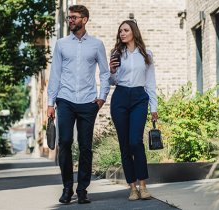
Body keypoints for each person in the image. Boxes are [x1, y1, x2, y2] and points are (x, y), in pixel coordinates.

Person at [47, 5, 110, 204]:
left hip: (88, 102)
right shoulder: (61, 44)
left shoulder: (97, 45)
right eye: (69, 18)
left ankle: (82, 189)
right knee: (64, 142)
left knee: (85, 147)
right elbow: (55, 74)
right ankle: (67, 188)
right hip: (64, 100)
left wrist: (102, 97)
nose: (70, 21)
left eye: (74, 17)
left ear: (85, 19)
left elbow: (105, 73)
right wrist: (50, 102)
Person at [109, 19, 158, 201]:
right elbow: (112, 81)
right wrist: (112, 71)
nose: (122, 33)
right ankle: (132, 188)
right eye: (120, 31)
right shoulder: (117, 53)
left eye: (125, 30)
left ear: (133, 32)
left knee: (135, 141)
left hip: (139, 98)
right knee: (124, 144)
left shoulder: (146, 54)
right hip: (120, 98)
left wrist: (154, 106)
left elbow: (151, 82)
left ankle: (143, 185)